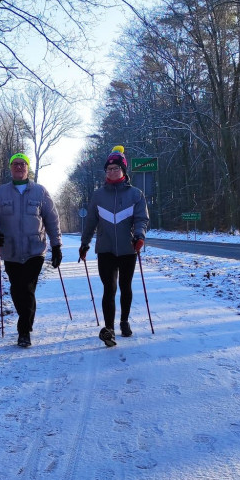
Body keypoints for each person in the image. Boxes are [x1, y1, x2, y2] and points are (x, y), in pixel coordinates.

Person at [0, 153, 63, 348]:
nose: (19, 167)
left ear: (28, 168)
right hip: (10, 250)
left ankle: (24, 331)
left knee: (27, 288)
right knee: (16, 289)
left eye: (22, 164)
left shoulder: (40, 192)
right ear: (10, 168)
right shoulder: (1, 193)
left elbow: (52, 220)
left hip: (35, 250)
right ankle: (26, 321)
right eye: (15, 164)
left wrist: (56, 245)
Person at [78, 146, 150, 347]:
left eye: (115, 168)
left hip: (128, 249)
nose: (111, 172)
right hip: (106, 249)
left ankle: (124, 321)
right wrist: (85, 243)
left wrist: (139, 236)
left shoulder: (136, 194)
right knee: (109, 288)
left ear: (123, 170)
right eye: (108, 169)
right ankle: (109, 329)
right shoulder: (98, 195)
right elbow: (91, 222)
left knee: (125, 287)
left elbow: (141, 219)